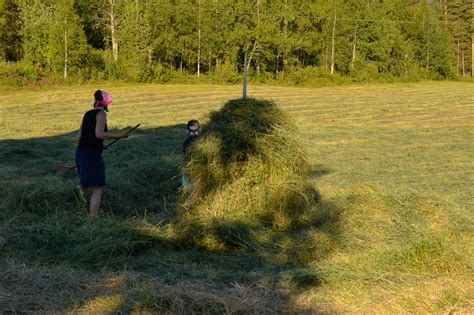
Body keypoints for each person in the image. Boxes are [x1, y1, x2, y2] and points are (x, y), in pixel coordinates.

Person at [74, 90, 129, 216]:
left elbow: (79, 136)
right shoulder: (101, 114)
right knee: (98, 187)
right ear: (106, 104)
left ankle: (80, 188)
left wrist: (100, 145)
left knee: (91, 180)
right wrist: (119, 136)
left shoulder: (87, 113)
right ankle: (93, 218)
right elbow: (99, 134)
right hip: (91, 154)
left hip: (81, 152)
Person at [181, 119, 200, 190]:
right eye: (192, 130)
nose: (194, 133)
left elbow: (184, 157)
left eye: (195, 130)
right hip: (190, 166)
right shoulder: (187, 142)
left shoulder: (186, 142)